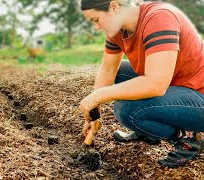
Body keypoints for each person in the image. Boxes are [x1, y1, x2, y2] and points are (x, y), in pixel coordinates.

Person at [79, 0, 204, 168]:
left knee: (127, 110)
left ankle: (188, 136)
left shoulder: (160, 18)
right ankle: (148, 131)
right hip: (174, 87)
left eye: (96, 20)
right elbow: (108, 70)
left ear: (114, 7)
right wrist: (94, 113)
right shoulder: (117, 30)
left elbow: (156, 84)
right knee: (120, 70)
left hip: (198, 95)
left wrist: (98, 95)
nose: (96, 27)